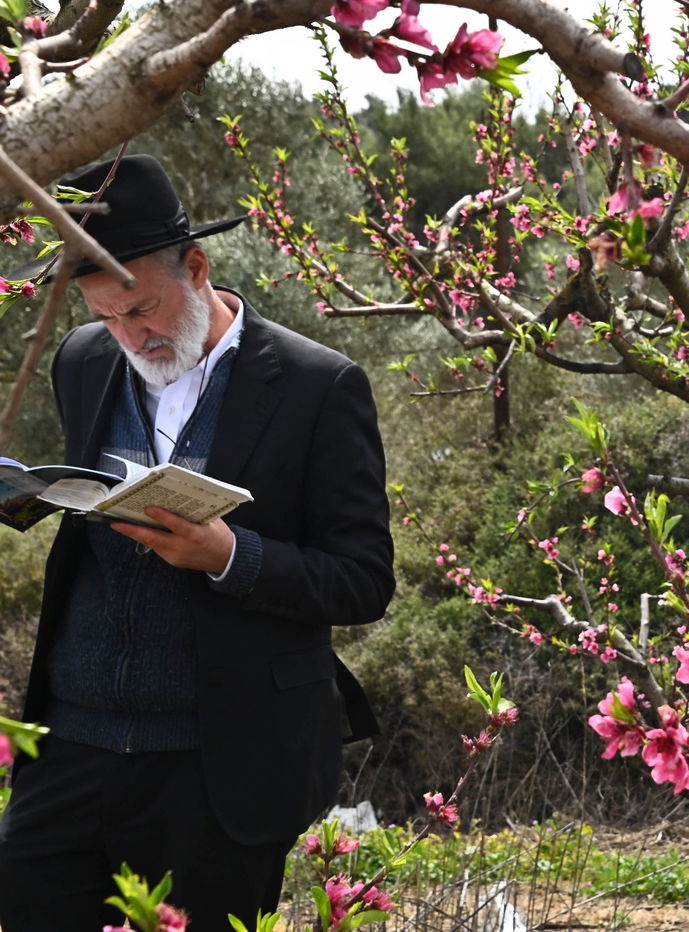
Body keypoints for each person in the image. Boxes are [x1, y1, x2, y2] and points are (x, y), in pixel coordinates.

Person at [0, 154, 395, 929]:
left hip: (219, 769)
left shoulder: (323, 386)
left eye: (142, 310)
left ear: (199, 267)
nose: (128, 335)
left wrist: (230, 558)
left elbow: (363, 579)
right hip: (71, 746)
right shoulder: (83, 359)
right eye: (107, 317)